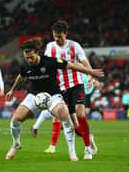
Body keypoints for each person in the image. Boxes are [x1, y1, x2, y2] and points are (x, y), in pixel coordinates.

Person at [5, 38, 102, 161]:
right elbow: (21, 76)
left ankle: (72, 153)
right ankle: (15, 144)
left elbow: (72, 65)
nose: (29, 60)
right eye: (26, 57)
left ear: (37, 53)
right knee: (15, 120)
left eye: (31, 57)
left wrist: (91, 72)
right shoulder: (25, 65)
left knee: (65, 116)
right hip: (34, 96)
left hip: (53, 95)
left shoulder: (50, 62)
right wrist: (13, 90)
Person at [44, 20, 103, 159]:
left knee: (80, 114)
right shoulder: (49, 47)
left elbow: (85, 63)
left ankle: (87, 149)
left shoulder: (74, 46)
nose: (57, 39)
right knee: (74, 125)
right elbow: (46, 65)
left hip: (77, 84)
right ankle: (89, 139)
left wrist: (92, 77)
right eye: (55, 36)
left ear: (66, 34)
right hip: (61, 89)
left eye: (60, 36)